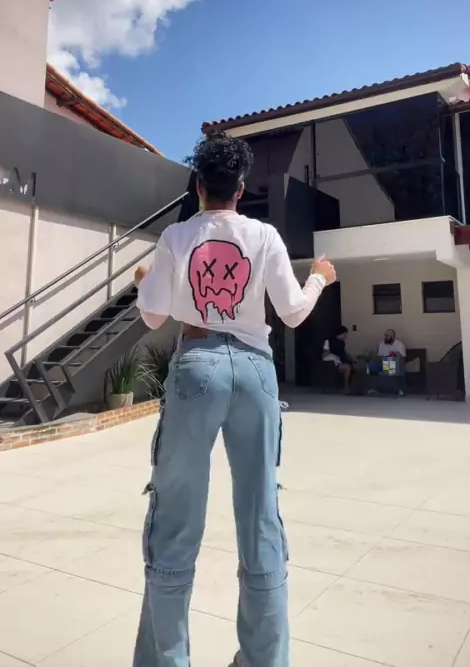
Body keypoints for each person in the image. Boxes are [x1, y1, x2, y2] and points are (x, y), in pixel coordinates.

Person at [132, 131, 336, 667]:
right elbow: (292, 312)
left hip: (196, 365)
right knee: (261, 513)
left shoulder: (177, 236)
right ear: (241, 189)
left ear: (199, 185)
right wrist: (318, 279)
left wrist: (143, 279)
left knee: (175, 517)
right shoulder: (265, 235)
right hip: (255, 372)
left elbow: (152, 315)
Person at [322, 325, 355, 394]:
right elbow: (324, 353)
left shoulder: (342, 343)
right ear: (340, 334)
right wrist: (328, 351)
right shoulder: (329, 341)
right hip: (330, 362)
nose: (345, 337)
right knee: (347, 367)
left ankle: (352, 388)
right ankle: (346, 388)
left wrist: (352, 360)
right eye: (344, 335)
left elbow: (344, 353)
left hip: (338, 362)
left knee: (352, 366)